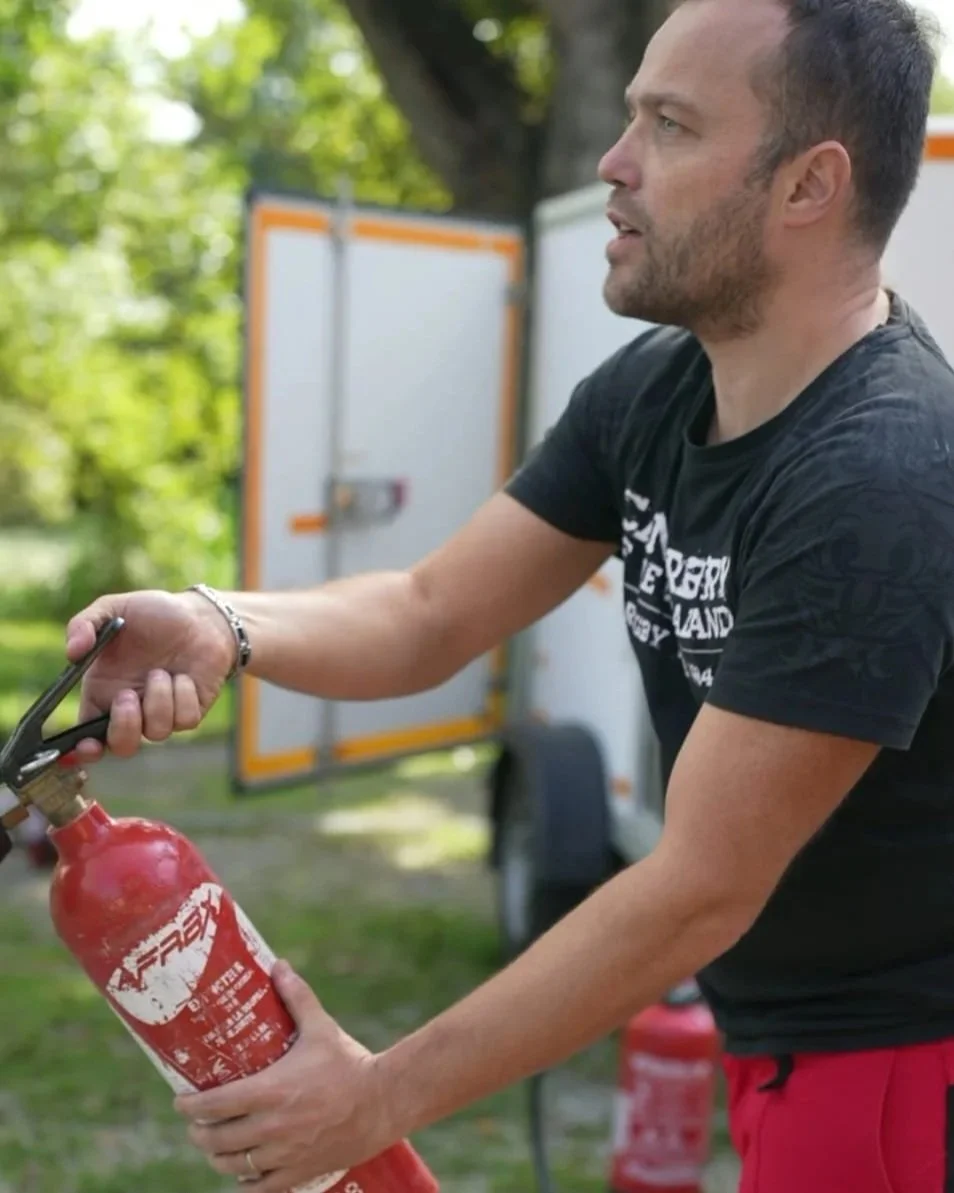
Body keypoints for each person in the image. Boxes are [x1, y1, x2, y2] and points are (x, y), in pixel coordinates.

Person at [65, 0, 954, 1188]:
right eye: (632, 112)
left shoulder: (879, 473)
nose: (614, 160)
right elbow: (432, 610)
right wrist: (223, 623)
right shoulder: (656, 391)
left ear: (809, 185)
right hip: (791, 1026)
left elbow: (697, 887)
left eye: (672, 125)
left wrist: (372, 1095)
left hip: (900, 1056)